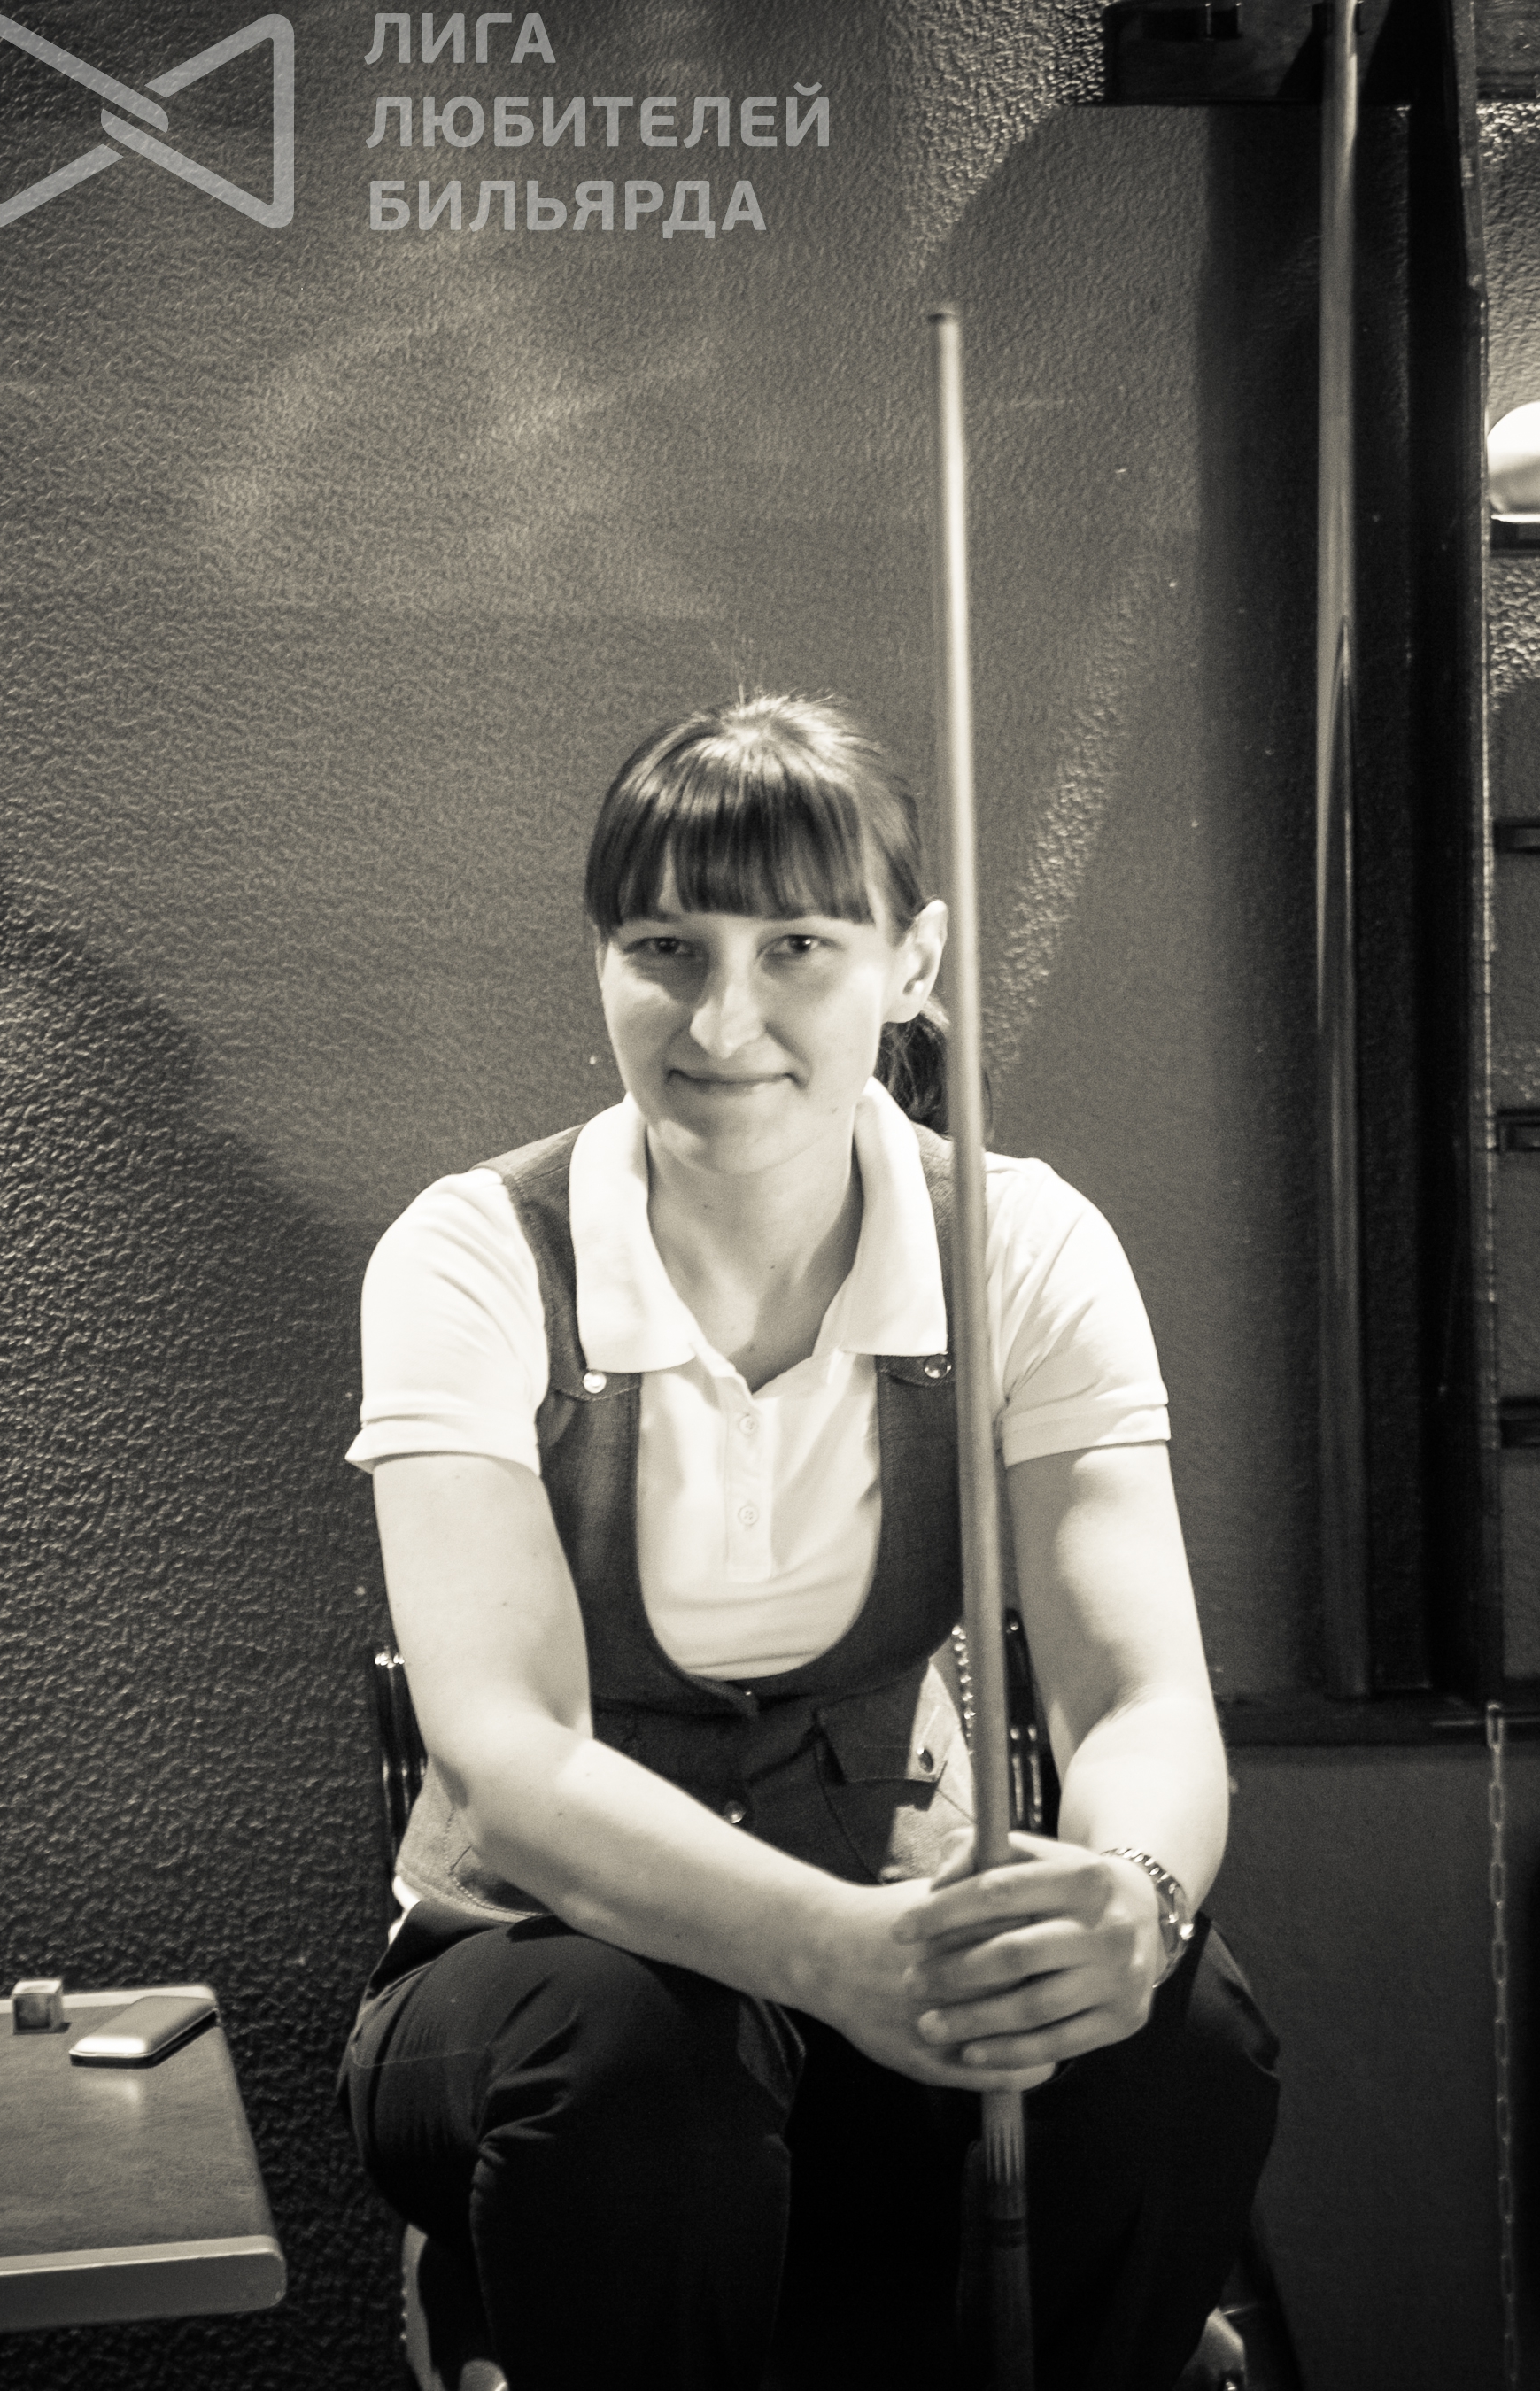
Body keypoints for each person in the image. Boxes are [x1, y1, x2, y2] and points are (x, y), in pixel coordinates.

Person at [338, 694, 1278, 2391]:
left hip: (891, 1946)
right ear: (599, 960)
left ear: (910, 963)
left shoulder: (1022, 1242)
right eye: (665, 947)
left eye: (796, 948)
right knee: (636, 2056)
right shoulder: (470, 1255)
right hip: (527, 1985)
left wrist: (1130, 1903)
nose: (724, 1018)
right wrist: (835, 1957)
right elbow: (513, 1755)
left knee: (1182, 2034)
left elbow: (1139, 1698)